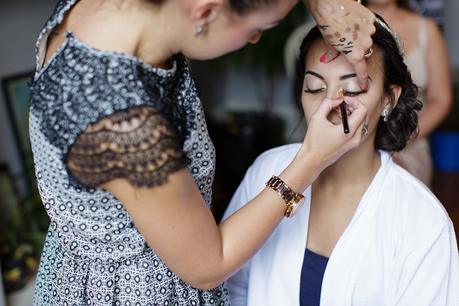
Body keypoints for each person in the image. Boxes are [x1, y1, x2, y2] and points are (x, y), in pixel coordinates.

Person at [29, 0, 376, 304]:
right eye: (260, 28)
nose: (255, 39)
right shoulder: (120, 121)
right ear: (206, 10)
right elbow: (210, 266)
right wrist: (311, 158)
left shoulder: (125, 15)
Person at [224, 17, 459, 306]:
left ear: (389, 99)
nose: (331, 104)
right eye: (314, 87)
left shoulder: (423, 220)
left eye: (354, 88)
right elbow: (231, 288)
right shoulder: (267, 170)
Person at [364, 0, 453, 186]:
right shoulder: (343, 26)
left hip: (409, 141)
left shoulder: (427, 29)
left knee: (390, 178)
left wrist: (403, 137)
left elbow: (441, 99)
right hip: (355, 136)